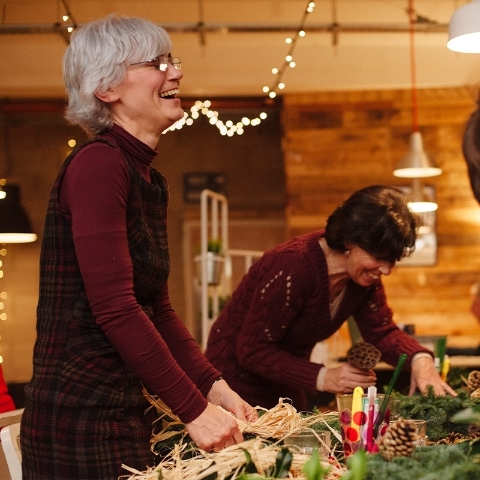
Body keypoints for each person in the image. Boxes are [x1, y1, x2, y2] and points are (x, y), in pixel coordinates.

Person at [20, 14, 257, 480]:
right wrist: (193, 410)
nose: (176, 72)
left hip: (123, 412)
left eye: (172, 59)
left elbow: (157, 310)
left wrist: (214, 387)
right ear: (106, 89)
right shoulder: (99, 164)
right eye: (157, 62)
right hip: (80, 419)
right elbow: (116, 308)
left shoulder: (148, 176)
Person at [205, 185, 456, 411]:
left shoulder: (363, 279)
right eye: (378, 257)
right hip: (233, 393)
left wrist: (421, 359)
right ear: (349, 240)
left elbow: (382, 333)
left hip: (285, 398)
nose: (386, 270)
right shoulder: (293, 266)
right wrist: (325, 377)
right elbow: (252, 350)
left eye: (392, 260)